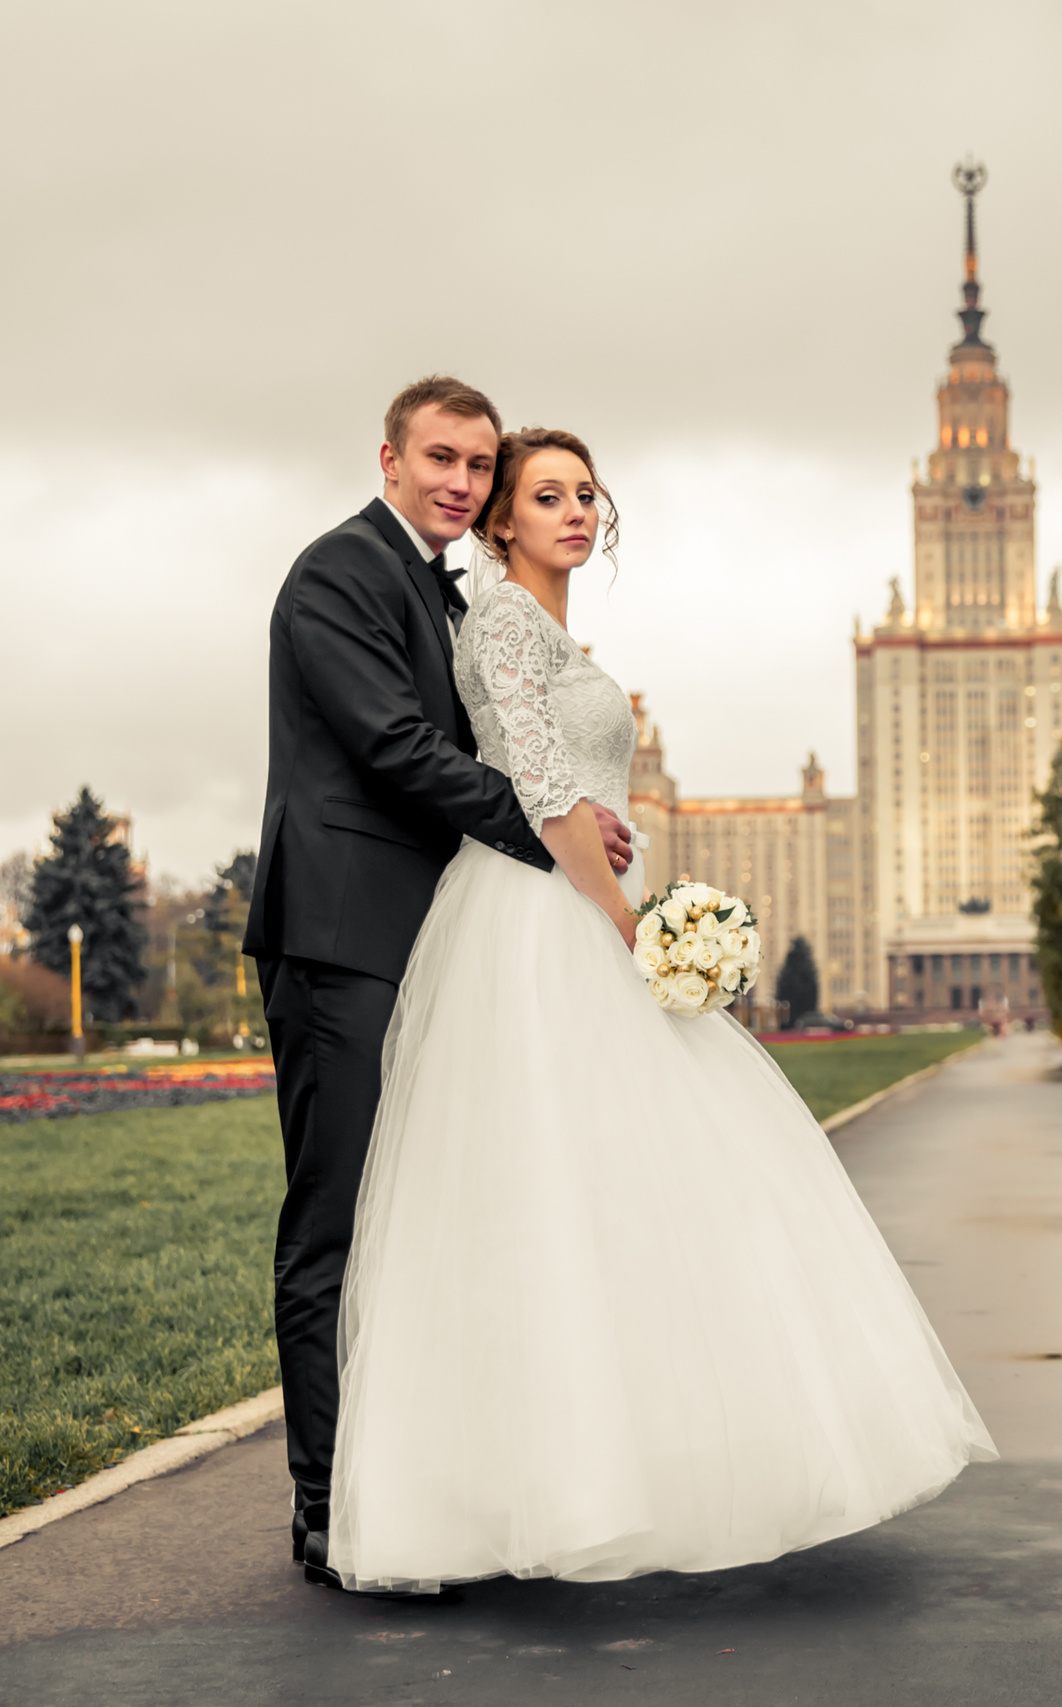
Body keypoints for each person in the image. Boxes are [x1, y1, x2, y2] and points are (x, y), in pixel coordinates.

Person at [326, 427, 996, 1593]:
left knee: (622, 1190)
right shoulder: (499, 622)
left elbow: (567, 791)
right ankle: (534, 1489)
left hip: (576, 892)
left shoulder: (544, 628)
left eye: (586, 492)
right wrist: (631, 924)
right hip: (541, 920)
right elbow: (538, 792)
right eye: (546, 496)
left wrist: (615, 874)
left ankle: (620, 1467)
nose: (577, 511)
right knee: (547, 1188)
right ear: (501, 524)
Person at [242, 377, 635, 1588]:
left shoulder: (443, 587)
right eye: (443, 461)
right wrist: (551, 838)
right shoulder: (337, 575)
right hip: (341, 936)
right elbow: (397, 751)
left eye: (477, 464)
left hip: (420, 939)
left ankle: (415, 1481)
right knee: (339, 1223)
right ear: (391, 458)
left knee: (422, 1221)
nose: (462, 481)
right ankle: (322, 1502)